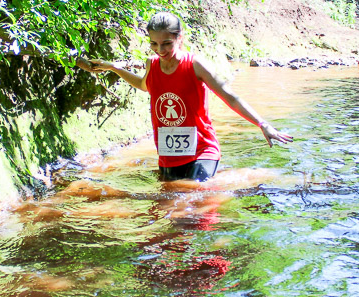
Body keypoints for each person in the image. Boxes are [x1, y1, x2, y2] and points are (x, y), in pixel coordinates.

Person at [78, 12, 293, 182]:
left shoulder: (195, 65)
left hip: (202, 149)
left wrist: (262, 124)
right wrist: (114, 68)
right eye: (154, 44)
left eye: (166, 44)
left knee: (194, 197)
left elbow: (230, 97)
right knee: (169, 211)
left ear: (179, 38)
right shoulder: (152, 65)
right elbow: (144, 85)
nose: (160, 50)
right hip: (169, 154)